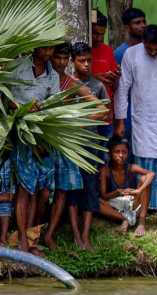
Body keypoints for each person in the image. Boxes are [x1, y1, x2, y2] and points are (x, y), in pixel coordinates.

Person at [115, 24, 157, 213]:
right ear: (143, 42)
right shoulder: (131, 54)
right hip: (142, 118)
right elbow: (123, 89)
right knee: (144, 156)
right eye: (149, 48)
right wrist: (120, 120)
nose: (154, 52)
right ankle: (146, 205)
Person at [8, 45, 57, 254]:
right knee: (24, 189)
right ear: (36, 47)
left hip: (42, 136)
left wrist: (42, 108)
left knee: (42, 191)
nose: (48, 52)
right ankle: (22, 241)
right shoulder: (17, 67)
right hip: (21, 134)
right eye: (45, 48)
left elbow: (55, 102)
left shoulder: (52, 74)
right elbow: (4, 92)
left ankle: (31, 237)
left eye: (51, 49)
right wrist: (19, 107)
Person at [68, 42, 111, 250]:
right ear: (73, 62)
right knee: (72, 191)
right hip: (71, 146)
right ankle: (75, 234)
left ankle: (85, 235)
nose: (86, 64)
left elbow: (105, 114)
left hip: (92, 147)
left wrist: (81, 119)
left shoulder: (97, 86)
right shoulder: (68, 84)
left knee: (91, 191)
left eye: (88, 60)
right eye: (81, 61)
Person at [43, 43, 85, 251]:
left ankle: (50, 235)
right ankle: (36, 232)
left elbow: (99, 107)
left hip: (65, 143)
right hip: (42, 142)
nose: (60, 62)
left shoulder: (72, 82)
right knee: (41, 191)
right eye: (57, 57)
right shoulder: (43, 80)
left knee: (63, 192)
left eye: (64, 58)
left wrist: (76, 118)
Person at [99, 138, 154, 236]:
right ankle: (125, 219)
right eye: (117, 152)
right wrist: (118, 192)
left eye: (124, 152)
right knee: (97, 202)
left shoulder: (130, 167)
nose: (121, 155)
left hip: (132, 204)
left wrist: (139, 190)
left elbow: (151, 174)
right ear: (110, 153)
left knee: (144, 179)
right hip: (115, 207)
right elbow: (104, 196)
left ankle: (141, 222)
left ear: (128, 153)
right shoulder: (105, 170)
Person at [90, 11, 119, 136]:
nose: (99, 38)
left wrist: (116, 77)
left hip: (106, 115)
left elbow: (114, 85)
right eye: (95, 33)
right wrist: (96, 78)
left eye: (102, 34)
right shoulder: (83, 51)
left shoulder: (107, 51)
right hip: (88, 116)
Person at [0, 159, 13, 247]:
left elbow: (11, 195)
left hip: (5, 201)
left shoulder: (8, 162)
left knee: (5, 204)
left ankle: (3, 238)